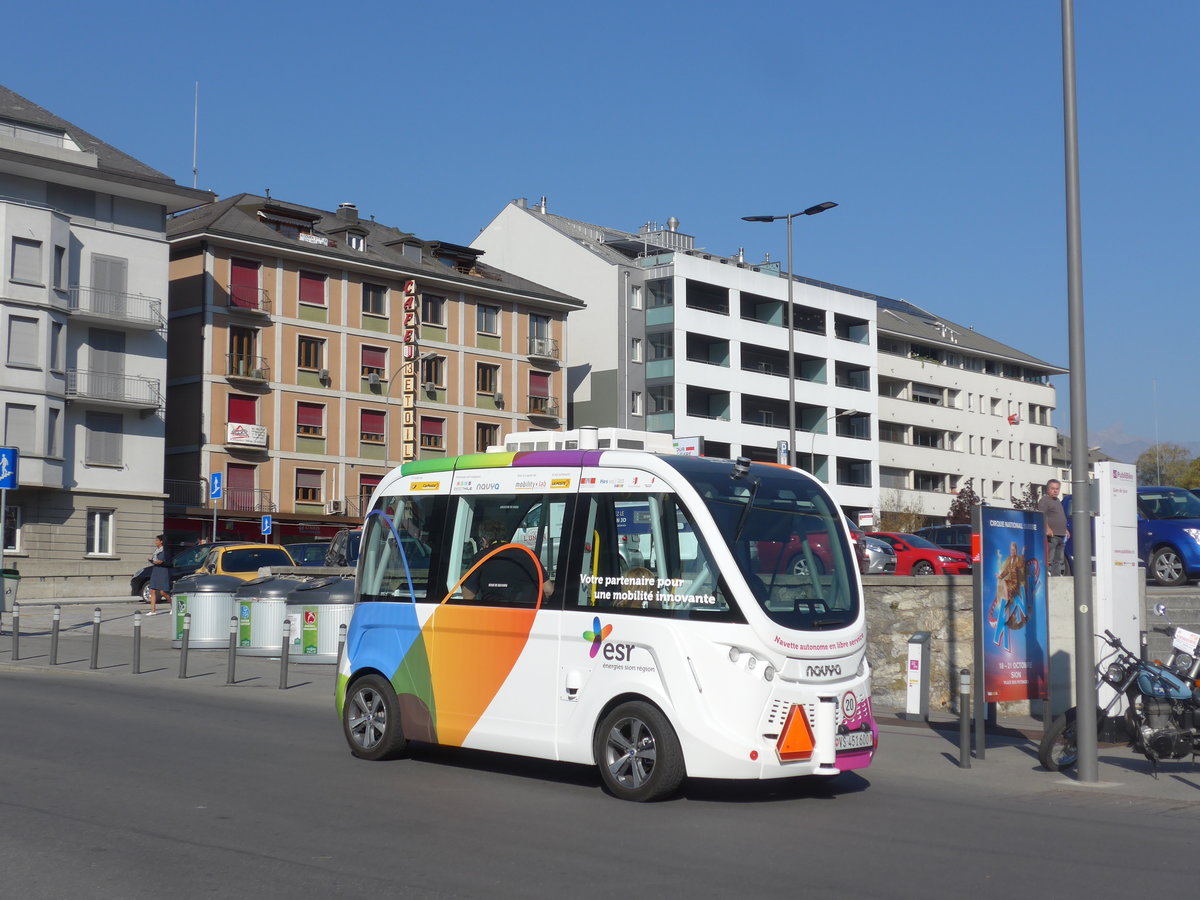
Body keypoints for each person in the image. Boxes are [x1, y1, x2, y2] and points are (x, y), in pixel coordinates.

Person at [462, 519, 551, 604]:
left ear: (484, 541)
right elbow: (548, 590)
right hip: (530, 616)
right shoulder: (529, 554)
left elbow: (468, 595)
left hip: (494, 615)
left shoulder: (481, 557)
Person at [1037, 479, 1070, 576]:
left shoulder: (1058, 501)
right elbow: (1042, 515)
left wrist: (1065, 530)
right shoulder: (1045, 500)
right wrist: (1047, 528)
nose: (1055, 491)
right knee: (1049, 557)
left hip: (1061, 534)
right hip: (1051, 535)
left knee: (1059, 558)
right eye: (1053, 489)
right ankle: (1045, 575)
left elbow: (1060, 516)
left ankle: (1056, 576)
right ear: (1047, 489)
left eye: (1057, 489)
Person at [147, 534, 171, 616]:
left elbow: (161, 561)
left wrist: (155, 561)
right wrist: (152, 561)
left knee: (163, 592)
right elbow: (156, 560)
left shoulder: (165, 551)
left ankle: (173, 606)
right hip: (156, 570)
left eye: (157, 540)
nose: (155, 542)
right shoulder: (156, 550)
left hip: (163, 571)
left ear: (161, 541)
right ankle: (153, 610)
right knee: (152, 590)